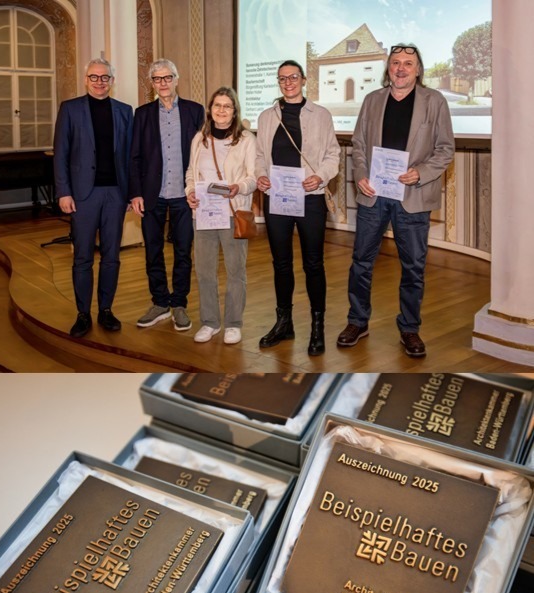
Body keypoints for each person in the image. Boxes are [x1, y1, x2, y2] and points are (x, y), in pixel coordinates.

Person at [338, 43, 455, 358]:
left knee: (413, 267)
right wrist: (360, 172)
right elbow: (359, 142)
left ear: (418, 70)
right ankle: (357, 321)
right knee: (361, 261)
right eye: (395, 63)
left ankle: (409, 328)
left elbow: (445, 149)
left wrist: (419, 173)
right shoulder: (373, 100)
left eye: (408, 63)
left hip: (412, 197)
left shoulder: (435, 101)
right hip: (374, 194)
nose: (401, 68)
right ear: (387, 68)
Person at [255, 61, 340, 355]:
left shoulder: (321, 115)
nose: (288, 82)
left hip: (310, 197)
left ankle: (318, 327)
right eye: (282, 78)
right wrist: (260, 176)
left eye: (293, 77)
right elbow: (258, 155)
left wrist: (321, 176)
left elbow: (333, 154)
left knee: (313, 264)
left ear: (304, 80)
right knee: (281, 264)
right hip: (277, 198)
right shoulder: (267, 117)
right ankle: (284, 323)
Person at [53, 58, 134, 338]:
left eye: (105, 77)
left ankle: (106, 311)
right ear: (85, 80)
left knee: (112, 257)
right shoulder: (70, 109)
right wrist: (63, 191)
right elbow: (61, 153)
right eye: (94, 77)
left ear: (112, 81)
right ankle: (83, 313)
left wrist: (131, 192)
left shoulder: (125, 111)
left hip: (115, 193)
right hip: (82, 195)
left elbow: (130, 157)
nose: (99, 82)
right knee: (83, 258)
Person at [130, 59, 206, 332]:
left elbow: (204, 154)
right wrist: (135, 193)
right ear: (151, 83)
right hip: (152, 194)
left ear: (176, 79)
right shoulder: (142, 114)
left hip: (185, 195)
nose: (163, 83)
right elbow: (134, 157)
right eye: (157, 79)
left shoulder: (195, 111)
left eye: (167, 77)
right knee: (153, 252)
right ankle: (160, 303)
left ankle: (180, 304)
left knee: (183, 252)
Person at [185, 87, 257, 345]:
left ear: (235, 111)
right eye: (217, 105)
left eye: (227, 106)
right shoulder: (199, 139)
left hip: (233, 212)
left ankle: (234, 323)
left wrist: (240, 187)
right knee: (204, 271)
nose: (222, 110)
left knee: (235, 271)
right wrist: (190, 192)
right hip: (204, 213)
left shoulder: (246, 139)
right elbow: (191, 174)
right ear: (210, 109)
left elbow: (253, 177)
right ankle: (210, 322)